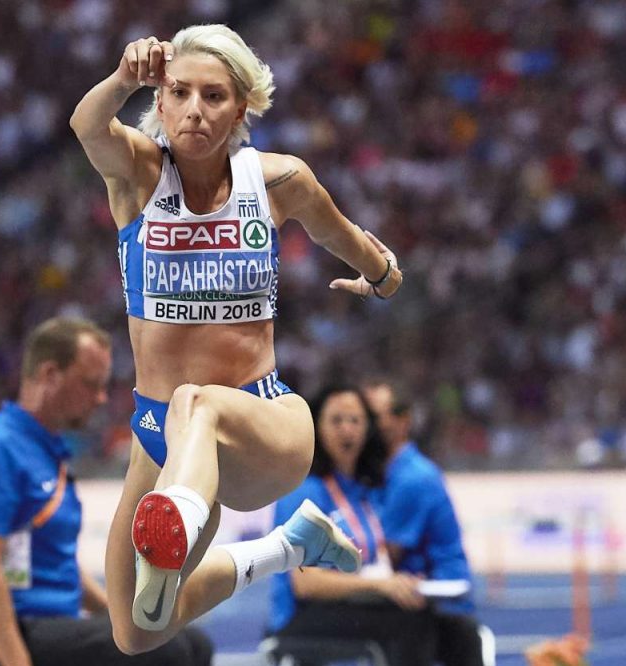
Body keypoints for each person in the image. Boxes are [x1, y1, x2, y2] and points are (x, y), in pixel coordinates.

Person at [69, 24, 403, 654]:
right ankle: (286, 548)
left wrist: (382, 274)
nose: (195, 109)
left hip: (264, 424)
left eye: (214, 96)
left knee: (197, 400)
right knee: (136, 631)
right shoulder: (137, 174)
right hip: (159, 434)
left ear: (241, 108)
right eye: (180, 93)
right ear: (160, 101)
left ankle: (179, 514)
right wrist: (121, 78)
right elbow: (87, 127)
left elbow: (339, 233)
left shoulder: (278, 180)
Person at [0, 317, 214, 666]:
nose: (100, 398)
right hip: (0, 639)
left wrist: (123, 622)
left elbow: (61, 567)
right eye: (90, 384)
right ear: (50, 375)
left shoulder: (48, 454)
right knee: (170, 654)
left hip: (53, 630)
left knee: (193, 643)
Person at [268, 383, 437, 666]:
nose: (347, 429)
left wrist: (403, 582)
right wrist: (381, 586)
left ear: (368, 429)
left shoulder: (365, 491)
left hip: (356, 606)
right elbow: (306, 583)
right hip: (303, 616)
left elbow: (378, 558)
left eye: (355, 420)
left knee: (449, 626)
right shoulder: (303, 491)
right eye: (336, 420)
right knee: (407, 626)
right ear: (317, 428)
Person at [363, 380, 483, 666]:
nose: (365, 427)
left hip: (439, 603)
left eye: (374, 416)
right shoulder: (385, 474)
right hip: (416, 599)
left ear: (403, 420)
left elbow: (385, 555)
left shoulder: (413, 478)